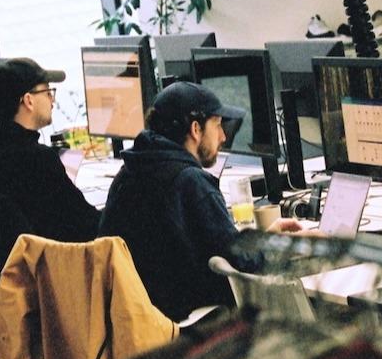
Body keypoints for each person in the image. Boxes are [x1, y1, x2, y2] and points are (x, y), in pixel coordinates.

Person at [99, 81, 302, 321]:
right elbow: (239, 262)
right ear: (196, 130)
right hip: (186, 321)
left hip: (138, 320)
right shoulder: (190, 182)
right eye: (217, 125)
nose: (224, 136)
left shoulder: (129, 174)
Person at [0, 57, 100, 243]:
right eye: (47, 92)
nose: (52, 100)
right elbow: (86, 224)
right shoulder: (37, 160)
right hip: (49, 268)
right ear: (28, 100)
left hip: (11, 268)